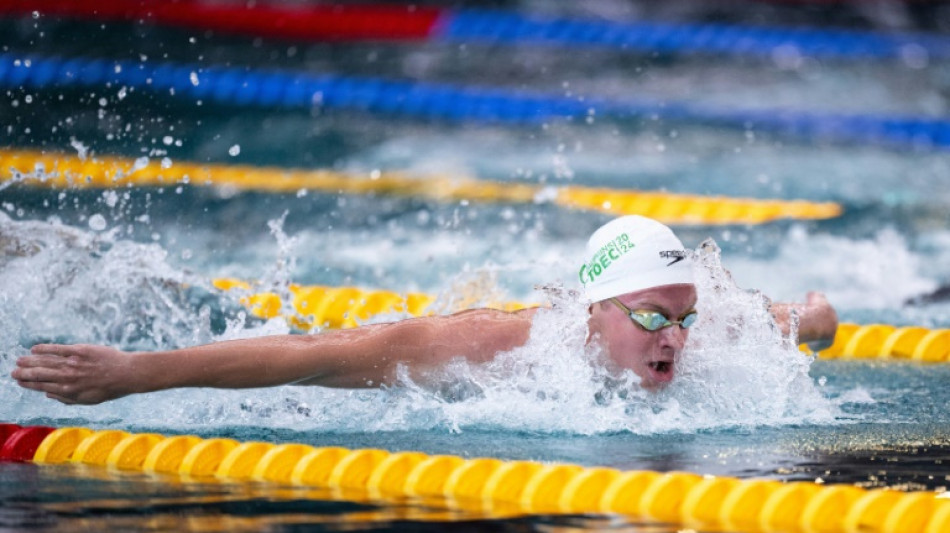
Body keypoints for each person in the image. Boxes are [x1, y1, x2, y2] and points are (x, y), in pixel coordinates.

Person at [12, 216, 838, 405]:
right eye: (654, 317)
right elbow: (314, 352)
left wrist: (814, 314)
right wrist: (131, 373)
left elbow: (799, 318)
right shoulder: (498, 347)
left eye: (684, 316)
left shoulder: (711, 328)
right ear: (595, 311)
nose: (677, 339)